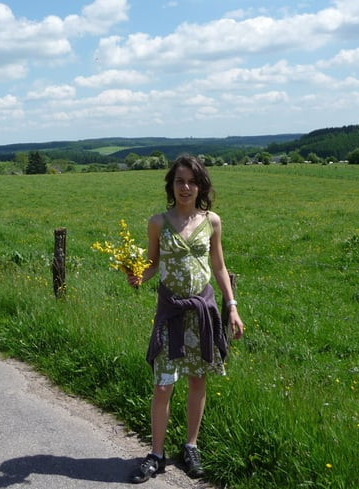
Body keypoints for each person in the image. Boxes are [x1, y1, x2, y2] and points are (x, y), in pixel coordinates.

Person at [127, 154, 244, 483]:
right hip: (170, 314)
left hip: (202, 314)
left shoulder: (212, 222)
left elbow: (219, 267)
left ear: (201, 186)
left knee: (197, 380)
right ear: (171, 185)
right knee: (163, 385)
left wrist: (231, 306)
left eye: (192, 181)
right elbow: (151, 264)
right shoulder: (158, 223)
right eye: (179, 181)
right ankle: (156, 454)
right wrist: (138, 276)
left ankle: (191, 446)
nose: (186, 187)